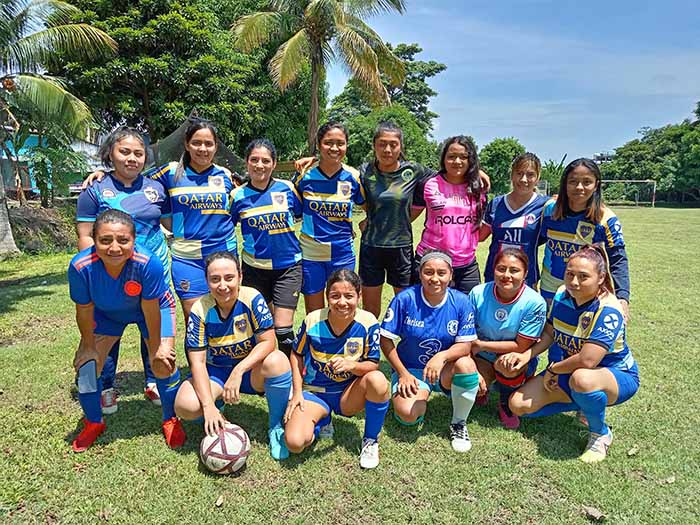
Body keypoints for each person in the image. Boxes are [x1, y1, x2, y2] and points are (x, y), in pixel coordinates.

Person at [509, 245, 640, 463]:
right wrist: (526, 356)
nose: (574, 282)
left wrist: (553, 369)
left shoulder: (609, 309)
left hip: (617, 375)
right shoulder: (562, 294)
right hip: (571, 371)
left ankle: (600, 433)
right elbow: (550, 332)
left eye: (583, 276)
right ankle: (585, 405)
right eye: (570, 274)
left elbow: (588, 360)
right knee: (518, 405)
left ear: (601, 278)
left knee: (582, 379)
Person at [68, 210, 184, 452]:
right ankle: (93, 422)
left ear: (134, 240)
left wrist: (157, 347)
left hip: (152, 309)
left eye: (123, 240)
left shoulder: (147, 262)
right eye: (105, 240)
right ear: (94, 239)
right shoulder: (80, 266)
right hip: (107, 314)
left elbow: (150, 307)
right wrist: (87, 346)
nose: (114, 248)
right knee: (87, 368)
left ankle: (170, 418)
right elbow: (84, 310)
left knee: (163, 361)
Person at [76, 127, 170, 413]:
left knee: (150, 325)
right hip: (111, 276)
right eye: (124, 152)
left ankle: (153, 379)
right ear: (111, 154)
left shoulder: (157, 188)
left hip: (152, 272)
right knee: (107, 328)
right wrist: (95, 276)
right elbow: (85, 237)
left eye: (138, 153)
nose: (132, 158)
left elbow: (170, 223)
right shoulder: (95, 189)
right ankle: (106, 386)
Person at [173, 251, 292, 460]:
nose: (223, 285)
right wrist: (207, 406)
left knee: (278, 361)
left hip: (249, 372)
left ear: (240, 276)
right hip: (216, 375)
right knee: (185, 405)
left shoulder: (252, 298)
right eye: (215, 279)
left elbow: (268, 342)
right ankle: (216, 409)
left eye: (229, 278)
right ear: (207, 281)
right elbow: (197, 362)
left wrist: (239, 371)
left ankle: (275, 426)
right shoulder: (200, 309)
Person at [283, 269, 389, 469]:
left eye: (349, 296)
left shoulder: (368, 322)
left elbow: (373, 364)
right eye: (335, 296)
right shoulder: (313, 320)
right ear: (327, 297)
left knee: (378, 380)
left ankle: (370, 440)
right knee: (295, 443)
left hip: (347, 394)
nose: (342, 302)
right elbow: (296, 355)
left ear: (359, 296)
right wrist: (296, 392)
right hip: (315, 392)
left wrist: (353, 365)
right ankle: (321, 420)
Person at [380, 250, 480, 452]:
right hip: (411, 371)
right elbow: (385, 340)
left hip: (444, 369)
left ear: (450, 275)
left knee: (467, 365)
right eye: (428, 272)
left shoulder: (461, 301)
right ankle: (419, 395)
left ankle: (458, 423)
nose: (435, 278)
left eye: (441, 273)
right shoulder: (405, 299)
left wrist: (442, 357)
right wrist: (403, 373)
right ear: (420, 274)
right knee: (408, 415)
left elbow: (465, 346)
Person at [149, 119, 238, 321]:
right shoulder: (170, 172)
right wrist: (105, 175)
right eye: (197, 143)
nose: (203, 149)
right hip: (187, 257)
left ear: (216, 146)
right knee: (195, 319)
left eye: (208, 143)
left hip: (223, 253)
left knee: (227, 315)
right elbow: (136, 180)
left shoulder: (225, 175)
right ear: (187, 144)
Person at [230, 139, 303, 357]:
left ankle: (290, 371)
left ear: (274, 163)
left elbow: (301, 214)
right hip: (254, 269)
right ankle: (265, 369)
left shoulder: (287, 188)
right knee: (261, 327)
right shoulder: (237, 196)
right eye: (254, 160)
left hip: (288, 267)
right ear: (247, 162)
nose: (259, 165)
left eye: (265, 160)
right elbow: (227, 227)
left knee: (283, 329)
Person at [539, 158, 630, 319]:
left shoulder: (606, 218)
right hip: (551, 288)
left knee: (580, 332)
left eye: (587, 182)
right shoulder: (550, 210)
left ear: (596, 185)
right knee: (551, 330)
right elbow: (535, 240)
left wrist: (622, 296)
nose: (579, 187)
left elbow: (618, 259)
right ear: (564, 184)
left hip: (586, 291)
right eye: (573, 181)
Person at [468, 248, 547, 429]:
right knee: (468, 383)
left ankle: (505, 401)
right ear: (493, 269)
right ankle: (482, 390)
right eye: (501, 269)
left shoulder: (535, 302)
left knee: (508, 365)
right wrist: (472, 365)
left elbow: (520, 346)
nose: (506, 275)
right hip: (482, 356)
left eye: (514, 270)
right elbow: (466, 334)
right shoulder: (477, 293)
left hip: (513, 356)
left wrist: (481, 345)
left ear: (525, 274)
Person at [292, 122, 365, 312]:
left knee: (343, 308)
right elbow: (294, 209)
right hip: (311, 253)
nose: (334, 148)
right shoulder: (304, 175)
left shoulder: (353, 176)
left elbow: (369, 206)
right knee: (315, 313)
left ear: (346, 145)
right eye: (328, 143)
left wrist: (366, 222)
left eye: (340, 143)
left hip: (342, 254)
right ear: (318, 144)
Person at [412, 136, 486, 293]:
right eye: (451, 156)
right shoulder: (429, 184)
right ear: (443, 159)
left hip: (466, 266)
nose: (457, 161)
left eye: (463, 157)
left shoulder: (479, 187)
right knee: (426, 307)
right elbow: (408, 216)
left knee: (467, 307)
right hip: (432, 262)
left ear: (471, 160)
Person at [480, 152, 549, 288]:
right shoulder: (496, 204)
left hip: (526, 278)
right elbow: (480, 236)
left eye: (530, 174)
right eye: (519, 173)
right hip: (495, 275)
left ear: (538, 177)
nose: (524, 179)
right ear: (511, 175)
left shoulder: (545, 206)